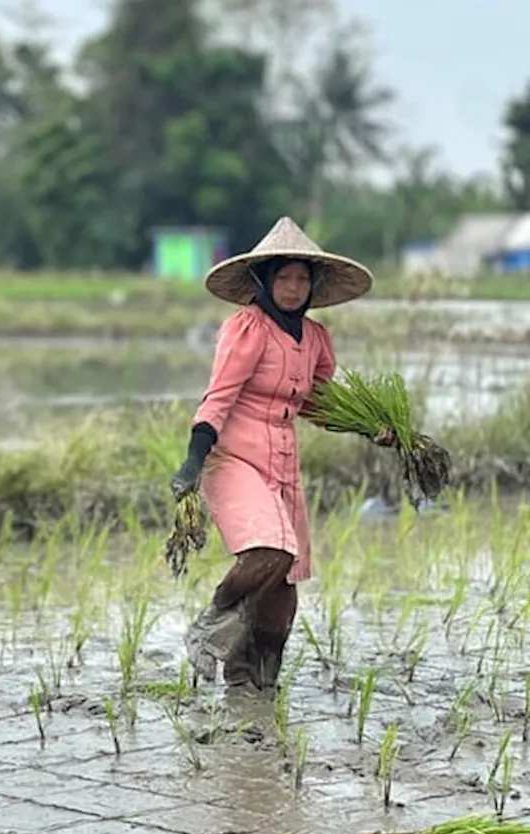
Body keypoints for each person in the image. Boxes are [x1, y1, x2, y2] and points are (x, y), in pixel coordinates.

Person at [169, 216, 396, 696]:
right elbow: (219, 397)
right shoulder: (247, 328)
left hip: (282, 465)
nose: (293, 288)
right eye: (283, 277)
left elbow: (317, 403)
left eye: (301, 278)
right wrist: (192, 461)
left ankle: (255, 683)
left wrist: (371, 428)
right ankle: (211, 627)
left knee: (283, 588)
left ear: (312, 285)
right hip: (233, 457)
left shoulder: (315, 339)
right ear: (265, 281)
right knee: (271, 551)